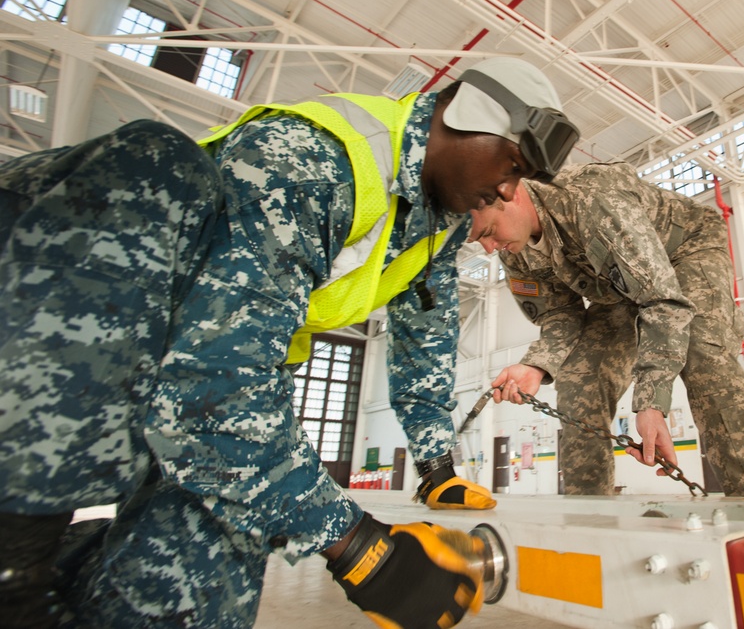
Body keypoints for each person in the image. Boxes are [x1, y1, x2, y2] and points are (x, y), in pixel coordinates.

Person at [0, 56, 579, 628]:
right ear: (464, 118)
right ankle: (19, 564)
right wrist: (359, 549)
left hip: (173, 378)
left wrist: (436, 469)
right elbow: (215, 385)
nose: (507, 192)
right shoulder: (313, 159)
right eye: (511, 167)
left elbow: (425, 343)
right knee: (160, 159)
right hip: (45, 325)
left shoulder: (437, 225)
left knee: (204, 561)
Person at [468, 161, 744, 497]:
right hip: (618, 288)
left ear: (509, 196)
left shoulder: (592, 203)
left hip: (683, 253)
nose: (488, 247)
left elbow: (662, 300)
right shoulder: (516, 251)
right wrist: (535, 365)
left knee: (702, 352)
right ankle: (589, 508)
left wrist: (651, 404)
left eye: (487, 231)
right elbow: (560, 316)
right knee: (580, 377)